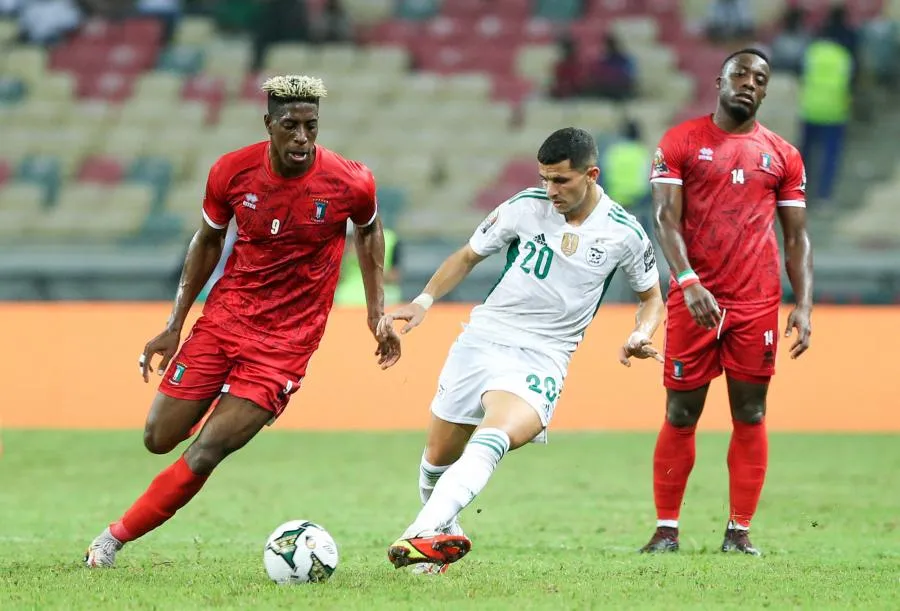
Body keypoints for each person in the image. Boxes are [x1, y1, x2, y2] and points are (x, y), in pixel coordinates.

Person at [84, 75, 401, 567]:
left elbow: (370, 229)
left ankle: (112, 538)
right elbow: (207, 241)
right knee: (158, 438)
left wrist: (375, 311)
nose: (302, 138)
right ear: (268, 124)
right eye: (290, 126)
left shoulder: (350, 180)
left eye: (311, 127)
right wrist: (175, 323)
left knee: (208, 450)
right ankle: (233, 405)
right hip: (225, 319)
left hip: (287, 342)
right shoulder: (231, 172)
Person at [379, 128, 665, 573]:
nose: (550, 190)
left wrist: (640, 333)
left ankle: (418, 532)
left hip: (544, 355)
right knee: (436, 460)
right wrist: (423, 302)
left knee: (496, 436)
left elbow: (651, 299)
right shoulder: (523, 207)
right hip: (483, 339)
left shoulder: (624, 233)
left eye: (561, 181)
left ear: (591, 174)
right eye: (545, 178)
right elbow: (468, 256)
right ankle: (441, 537)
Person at [641, 49, 813, 556]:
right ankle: (666, 529)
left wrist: (803, 303)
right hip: (694, 297)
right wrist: (689, 280)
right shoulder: (681, 142)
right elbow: (665, 220)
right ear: (719, 80)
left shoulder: (782, 154)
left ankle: (739, 533)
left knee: (752, 412)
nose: (749, 84)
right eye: (741, 74)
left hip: (756, 302)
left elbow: (798, 237)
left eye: (760, 79)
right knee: (680, 412)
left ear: (766, 90)